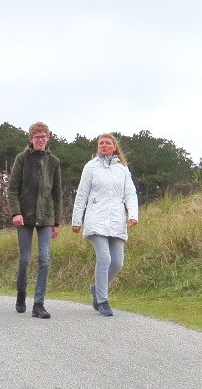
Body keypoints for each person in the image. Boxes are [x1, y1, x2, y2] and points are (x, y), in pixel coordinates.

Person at [70, 133, 139, 317]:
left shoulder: (122, 169)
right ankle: (102, 300)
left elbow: (130, 193)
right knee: (105, 258)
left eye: (108, 143)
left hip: (116, 220)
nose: (104, 145)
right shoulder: (91, 167)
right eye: (101, 143)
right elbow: (81, 194)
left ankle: (96, 288)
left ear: (114, 147)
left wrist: (133, 214)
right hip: (96, 218)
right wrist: (77, 220)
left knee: (117, 262)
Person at [7, 121, 65, 319]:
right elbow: (12, 188)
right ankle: (21, 294)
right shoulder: (21, 159)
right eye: (37, 136)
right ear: (30, 139)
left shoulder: (54, 162)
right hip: (24, 216)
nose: (40, 139)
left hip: (46, 217)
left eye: (44, 136)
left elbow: (57, 193)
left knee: (45, 259)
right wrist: (16, 212)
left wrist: (56, 222)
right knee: (25, 260)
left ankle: (39, 304)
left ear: (48, 138)